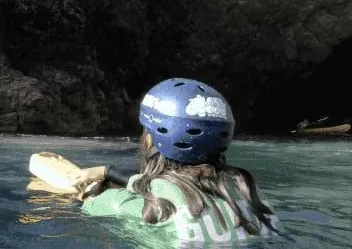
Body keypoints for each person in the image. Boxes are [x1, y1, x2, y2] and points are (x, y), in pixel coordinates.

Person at [76, 78, 280, 246]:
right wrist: (108, 171)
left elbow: (88, 201)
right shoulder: (247, 191)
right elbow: (162, 186)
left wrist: (93, 190)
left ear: (149, 138)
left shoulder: (129, 205)